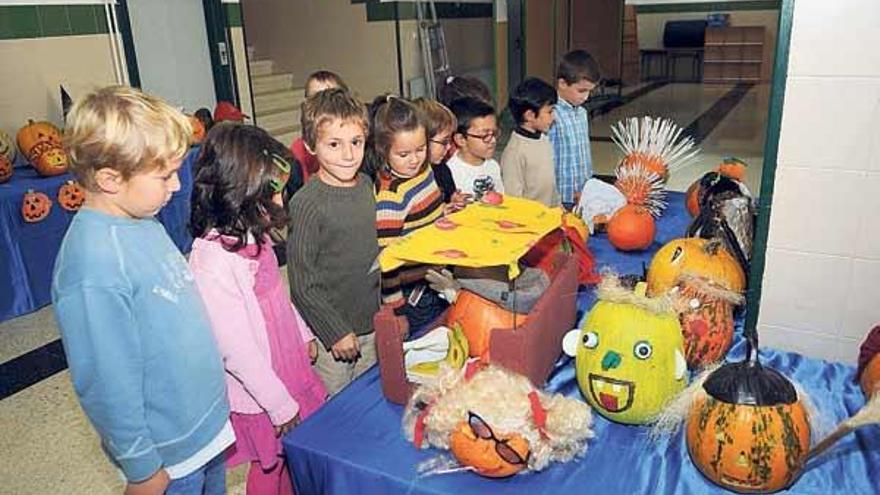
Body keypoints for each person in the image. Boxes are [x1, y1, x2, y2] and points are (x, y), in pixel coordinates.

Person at [54, 86, 231, 495]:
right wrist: (141, 467)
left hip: (204, 429)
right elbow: (105, 380)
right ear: (110, 179)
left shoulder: (142, 219)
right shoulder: (92, 266)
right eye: (165, 175)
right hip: (168, 458)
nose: (175, 186)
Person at [188, 124, 326, 495]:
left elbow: (274, 295)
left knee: (288, 457)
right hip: (263, 387)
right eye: (272, 197)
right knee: (269, 463)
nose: (280, 205)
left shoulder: (251, 233)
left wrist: (302, 333)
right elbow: (236, 349)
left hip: (287, 363)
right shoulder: (212, 261)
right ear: (239, 193)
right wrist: (279, 404)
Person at [286, 88, 380, 396]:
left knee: (368, 397)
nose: (349, 155)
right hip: (333, 336)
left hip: (371, 323)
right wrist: (335, 331)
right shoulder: (307, 204)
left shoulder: (367, 185)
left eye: (356, 142)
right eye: (334, 145)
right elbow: (302, 283)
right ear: (311, 146)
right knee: (335, 410)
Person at [372, 96, 449, 330]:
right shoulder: (391, 198)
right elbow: (388, 263)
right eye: (404, 155)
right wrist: (397, 312)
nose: (415, 160)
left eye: (421, 149)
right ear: (384, 151)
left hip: (440, 274)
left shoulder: (425, 169)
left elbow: (430, 212)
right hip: (415, 295)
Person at [548, 49, 601, 209]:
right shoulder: (551, 115)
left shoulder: (582, 113)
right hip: (561, 196)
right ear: (562, 83)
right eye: (581, 91)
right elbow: (545, 160)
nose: (586, 97)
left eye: (589, 91)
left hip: (582, 193)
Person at [500, 77, 560, 207]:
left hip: (550, 217)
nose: (554, 117)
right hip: (530, 222)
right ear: (529, 116)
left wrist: (559, 210)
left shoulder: (544, 140)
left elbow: (551, 185)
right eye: (549, 111)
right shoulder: (514, 152)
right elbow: (513, 199)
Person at [290, 70, 349, 181]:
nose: (323, 104)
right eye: (315, 98)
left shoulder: (356, 144)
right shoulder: (299, 150)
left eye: (331, 97)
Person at [446, 97, 504, 198]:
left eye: (494, 133)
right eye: (484, 135)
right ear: (461, 139)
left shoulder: (493, 166)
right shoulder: (451, 173)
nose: (493, 140)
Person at [411, 97, 456, 203]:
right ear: (423, 141)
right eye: (444, 142)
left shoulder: (442, 170)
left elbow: (448, 198)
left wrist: (453, 201)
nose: (449, 147)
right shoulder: (409, 180)